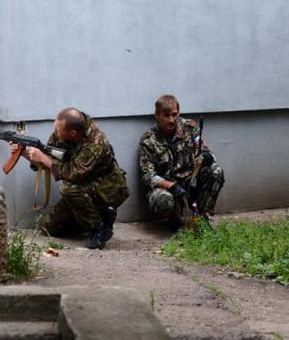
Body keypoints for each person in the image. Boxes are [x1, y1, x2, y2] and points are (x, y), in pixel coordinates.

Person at [13, 107, 129, 249]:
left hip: (107, 188)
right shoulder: (62, 132)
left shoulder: (96, 142)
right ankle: (102, 215)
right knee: (50, 228)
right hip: (83, 187)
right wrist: (26, 154)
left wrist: (44, 158)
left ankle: (99, 228)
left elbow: (73, 173)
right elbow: (46, 160)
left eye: (58, 131)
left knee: (68, 188)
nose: (55, 133)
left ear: (73, 133)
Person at [138, 94, 224, 230]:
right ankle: (175, 217)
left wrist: (207, 157)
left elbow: (206, 152)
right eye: (166, 115)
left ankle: (202, 218)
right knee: (162, 201)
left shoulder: (189, 128)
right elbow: (147, 176)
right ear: (157, 115)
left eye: (174, 114)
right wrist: (172, 186)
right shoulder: (149, 140)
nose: (172, 120)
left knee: (216, 171)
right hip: (168, 187)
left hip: (191, 181)